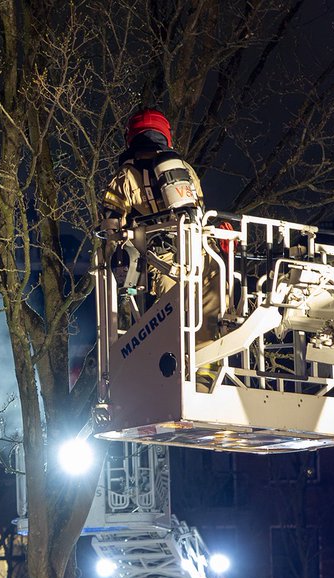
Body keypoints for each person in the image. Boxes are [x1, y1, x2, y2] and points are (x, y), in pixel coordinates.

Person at [99, 109, 223, 382]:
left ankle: (172, 372)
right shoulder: (185, 170)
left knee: (169, 315)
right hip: (200, 252)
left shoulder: (125, 176)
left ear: (131, 137)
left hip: (161, 259)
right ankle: (206, 369)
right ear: (165, 135)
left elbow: (111, 225)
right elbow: (198, 210)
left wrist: (115, 258)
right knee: (209, 307)